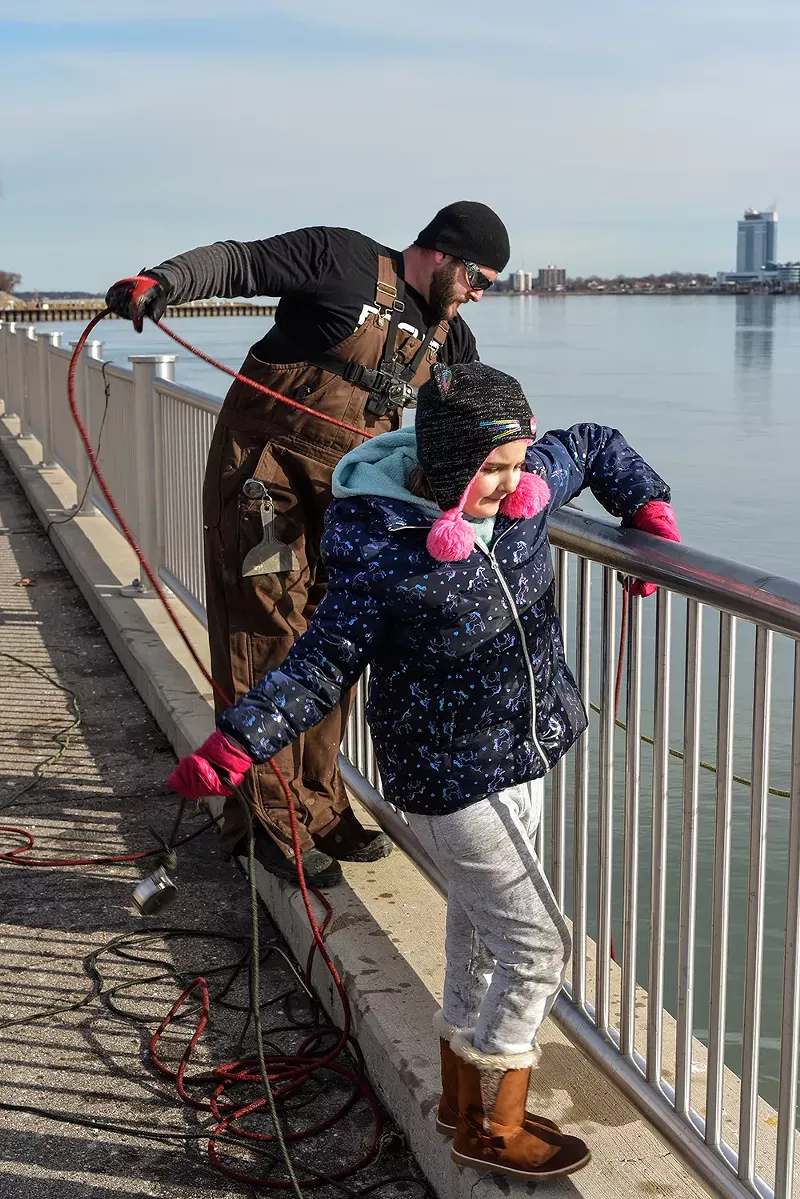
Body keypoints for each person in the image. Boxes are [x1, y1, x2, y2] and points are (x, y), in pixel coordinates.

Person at [167, 361, 680, 1181]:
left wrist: (646, 509)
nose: (512, 486)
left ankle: (458, 1100)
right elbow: (319, 665)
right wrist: (236, 743)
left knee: (478, 928)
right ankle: (497, 1122)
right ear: (442, 470)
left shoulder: (523, 487)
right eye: (492, 470)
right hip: (448, 779)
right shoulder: (381, 554)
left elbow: (589, 445)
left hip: (525, 754)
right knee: (540, 944)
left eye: (516, 463)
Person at [105, 202, 510, 888]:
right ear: (442, 253)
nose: (480, 294)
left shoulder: (449, 336)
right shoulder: (341, 258)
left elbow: (481, 412)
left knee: (334, 643)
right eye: (480, 279)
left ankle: (320, 806)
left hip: (349, 505)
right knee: (267, 634)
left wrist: (525, 475)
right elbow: (239, 261)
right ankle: (268, 821)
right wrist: (161, 281)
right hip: (266, 487)